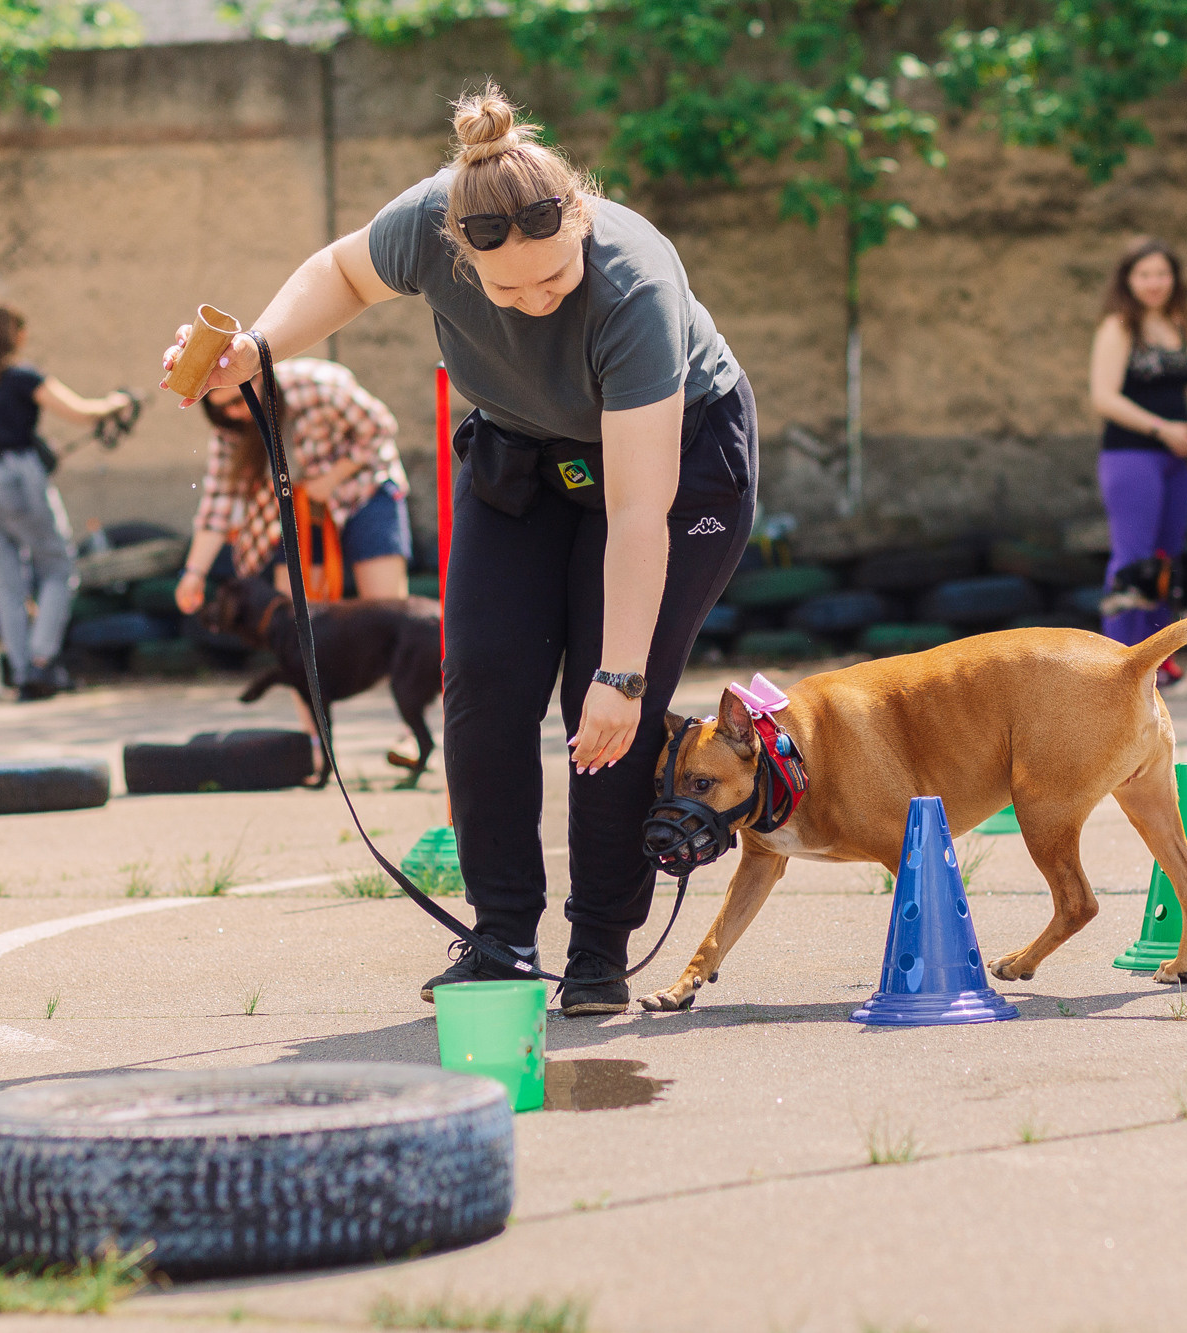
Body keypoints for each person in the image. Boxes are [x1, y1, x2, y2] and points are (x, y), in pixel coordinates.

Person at [161, 83, 755, 1016]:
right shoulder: (429, 222)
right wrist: (261, 348)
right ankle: (502, 935)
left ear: (582, 221)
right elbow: (343, 273)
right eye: (507, 287)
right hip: (522, 452)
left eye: (555, 278)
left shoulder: (635, 285)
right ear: (459, 254)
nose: (534, 301)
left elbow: (640, 511)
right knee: (482, 678)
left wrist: (624, 676)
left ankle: (600, 945)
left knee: (598, 706)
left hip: (670, 466)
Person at [0, 306, 132, 701]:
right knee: (57, 566)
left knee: (7, 581)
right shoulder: (23, 376)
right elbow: (79, 411)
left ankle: (20, 670)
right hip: (15, 478)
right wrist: (115, 402)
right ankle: (41, 662)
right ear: (18, 334)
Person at [173, 362, 411, 615]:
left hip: (365, 490)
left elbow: (381, 427)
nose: (233, 412)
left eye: (238, 400)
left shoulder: (317, 384)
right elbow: (218, 500)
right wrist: (194, 573)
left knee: (387, 612)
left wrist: (333, 476)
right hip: (301, 510)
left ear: (259, 380)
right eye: (220, 408)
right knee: (296, 617)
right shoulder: (230, 428)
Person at [1090, 236, 1187, 651]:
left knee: (1166, 560)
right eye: (1144, 274)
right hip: (1132, 457)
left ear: (1174, 278)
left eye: (1162, 273)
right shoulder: (1118, 327)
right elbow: (1104, 397)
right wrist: (1163, 429)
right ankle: (1117, 660)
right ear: (1128, 279)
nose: (1155, 282)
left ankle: (1159, 658)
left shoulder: (1179, 324)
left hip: (1177, 458)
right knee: (1133, 559)